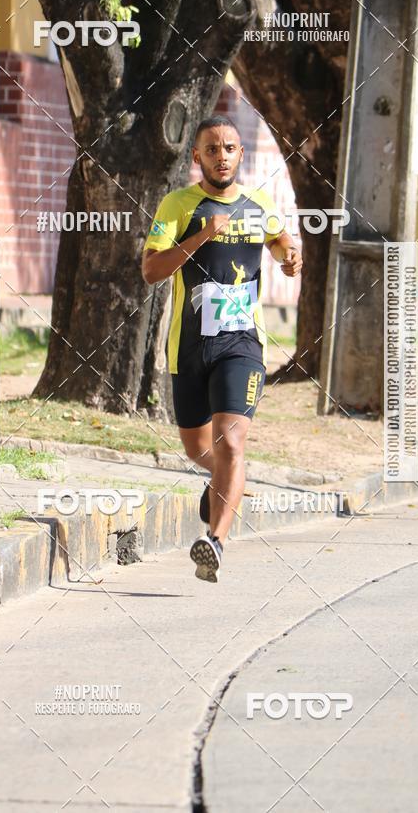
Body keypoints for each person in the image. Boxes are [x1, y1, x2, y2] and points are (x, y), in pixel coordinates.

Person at [141, 115, 302, 582]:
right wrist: (202, 235)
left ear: (240, 154)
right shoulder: (178, 205)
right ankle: (225, 481)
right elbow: (151, 271)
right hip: (189, 348)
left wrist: (290, 257)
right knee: (198, 449)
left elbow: (281, 240)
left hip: (242, 345)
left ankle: (214, 541)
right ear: (197, 157)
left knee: (231, 442)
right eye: (211, 149)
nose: (221, 156)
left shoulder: (258, 203)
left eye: (229, 147)